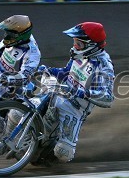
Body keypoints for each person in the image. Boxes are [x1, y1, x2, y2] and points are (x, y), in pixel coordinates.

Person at [31, 22, 115, 164]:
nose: (75, 46)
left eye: (78, 43)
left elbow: (107, 97)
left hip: (75, 108)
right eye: (75, 42)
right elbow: (66, 73)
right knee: (18, 112)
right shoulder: (78, 55)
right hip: (59, 93)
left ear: (91, 45)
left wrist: (78, 91)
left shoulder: (104, 66)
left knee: (63, 153)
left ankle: (48, 151)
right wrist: (49, 70)